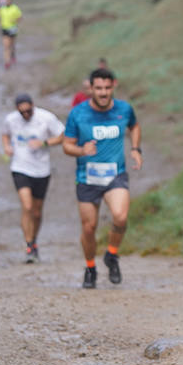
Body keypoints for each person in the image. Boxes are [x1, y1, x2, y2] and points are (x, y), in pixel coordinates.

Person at [63, 68, 143, 289]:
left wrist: (136, 149)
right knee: (89, 228)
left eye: (107, 88)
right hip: (87, 178)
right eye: (98, 88)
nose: (103, 93)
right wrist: (81, 151)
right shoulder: (77, 114)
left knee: (120, 217)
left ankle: (112, 254)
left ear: (113, 86)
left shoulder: (124, 109)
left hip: (115, 175)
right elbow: (66, 146)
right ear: (91, 88)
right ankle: (90, 267)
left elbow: (134, 126)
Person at [1, 93, 66, 263]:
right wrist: (7, 147)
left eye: (28, 111)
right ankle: (28, 244)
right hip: (20, 167)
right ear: (17, 111)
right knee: (27, 206)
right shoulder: (11, 119)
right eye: (22, 113)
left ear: (33, 106)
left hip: (42, 169)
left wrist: (44, 143)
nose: (26, 115)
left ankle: (34, 241)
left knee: (36, 212)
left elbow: (63, 135)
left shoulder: (46, 118)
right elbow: (5, 134)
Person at [0, 0, 22, 70]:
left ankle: (13, 55)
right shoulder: (2, 9)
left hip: (13, 29)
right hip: (5, 29)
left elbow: (20, 18)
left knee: (12, 45)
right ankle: (7, 62)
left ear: (11, 0)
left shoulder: (15, 8)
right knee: (6, 46)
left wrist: (15, 20)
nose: (7, 1)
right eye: (6, 0)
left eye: (8, 0)